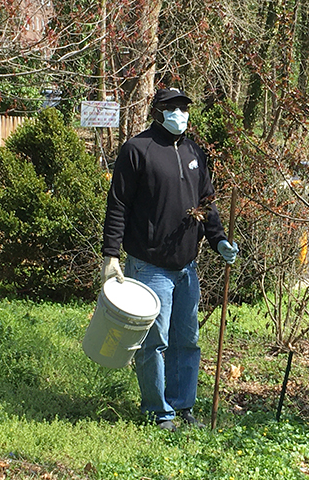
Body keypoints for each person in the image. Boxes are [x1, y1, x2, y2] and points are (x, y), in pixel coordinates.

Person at [101, 87, 238, 431]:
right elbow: (118, 204)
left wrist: (218, 239)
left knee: (186, 341)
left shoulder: (194, 151)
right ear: (157, 111)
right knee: (154, 342)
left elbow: (206, 202)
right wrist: (111, 255)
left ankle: (182, 407)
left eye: (185, 107)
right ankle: (158, 412)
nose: (181, 114)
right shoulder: (137, 150)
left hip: (186, 267)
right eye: (173, 107)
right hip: (149, 266)